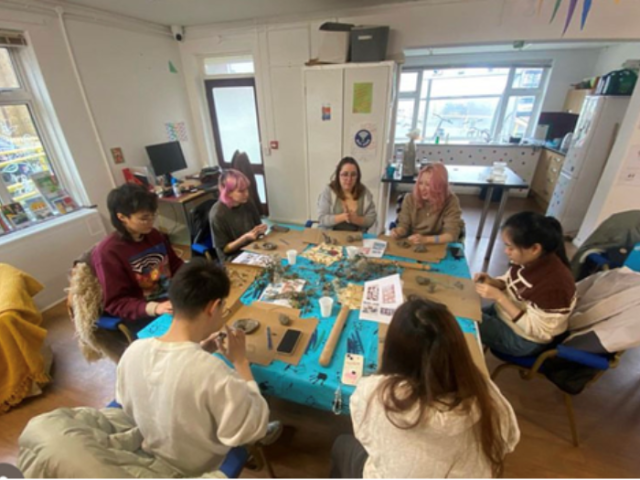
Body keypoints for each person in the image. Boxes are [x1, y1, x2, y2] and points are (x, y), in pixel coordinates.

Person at [116, 260, 277, 477]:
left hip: (151, 451)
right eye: (223, 308)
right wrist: (241, 363)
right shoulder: (213, 372)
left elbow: (132, 401)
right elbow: (251, 431)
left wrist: (201, 350)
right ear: (213, 307)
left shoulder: (134, 350)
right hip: (197, 468)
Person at [331, 297, 519, 478]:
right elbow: (508, 440)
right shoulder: (485, 392)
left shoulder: (377, 392)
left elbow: (364, 435)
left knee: (341, 444)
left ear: (394, 350)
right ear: (457, 347)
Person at [474, 212, 577, 357]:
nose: (506, 251)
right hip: (504, 315)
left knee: (455, 323)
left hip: (523, 339)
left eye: (511, 247)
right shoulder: (530, 260)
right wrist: (495, 282)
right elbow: (513, 282)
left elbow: (539, 331)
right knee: (459, 313)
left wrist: (499, 298)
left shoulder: (555, 286)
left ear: (535, 248)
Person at [92, 184, 183, 322]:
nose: (151, 222)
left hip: (175, 299)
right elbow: (116, 302)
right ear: (122, 217)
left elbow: (176, 265)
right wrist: (155, 308)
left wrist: (194, 276)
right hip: (146, 313)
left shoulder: (155, 235)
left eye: (153, 216)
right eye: (144, 218)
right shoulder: (108, 252)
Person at [390, 163, 464, 245]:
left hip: (438, 244)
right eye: (420, 183)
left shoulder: (451, 201)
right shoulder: (409, 198)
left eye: (428, 185)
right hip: (413, 243)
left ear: (439, 186)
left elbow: (451, 235)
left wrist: (426, 240)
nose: (422, 188)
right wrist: (398, 232)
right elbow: (404, 225)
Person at [209, 169, 267, 262]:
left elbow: (257, 228)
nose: (247, 194)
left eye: (247, 189)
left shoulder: (247, 202)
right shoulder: (218, 214)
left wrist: (260, 230)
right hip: (232, 257)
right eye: (241, 191)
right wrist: (245, 238)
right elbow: (225, 250)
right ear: (228, 193)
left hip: (252, 248)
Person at [317, 157, 377, 232]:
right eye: (345, 174)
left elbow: (371, 219)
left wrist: (356, 219)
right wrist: (343, 217)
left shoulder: (364, 193)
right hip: (331, 236)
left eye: (353, 175)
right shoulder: (328, 191)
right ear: (338, 175)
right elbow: (322, 218)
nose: (349, 179)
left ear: (358, 177)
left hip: (356, 238)